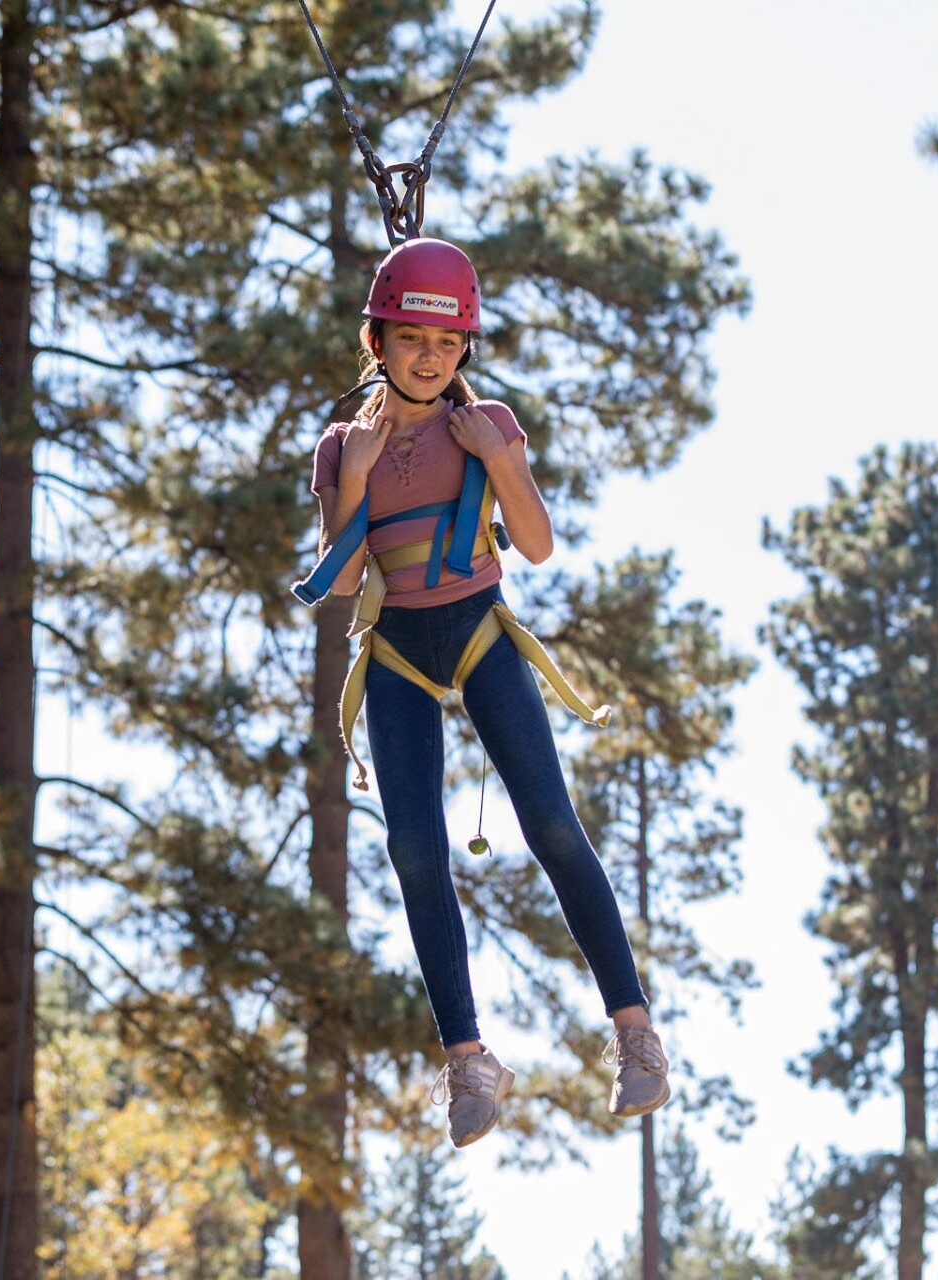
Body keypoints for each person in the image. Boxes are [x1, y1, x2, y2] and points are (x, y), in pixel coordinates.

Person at [298, 238, 670, 1148]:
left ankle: (635, 1032)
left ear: (465, 348)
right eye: (411, 342)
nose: (431, 359)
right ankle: (467, 1057)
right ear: (376, 341)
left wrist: (494, 457)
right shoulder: (345, 443)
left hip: (478, 634)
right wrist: (353, 474)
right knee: (416, 851)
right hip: (396, 652)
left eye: (448, 344)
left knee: (549, 824)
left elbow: (535, 544)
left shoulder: (491, 421)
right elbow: (343, 582)